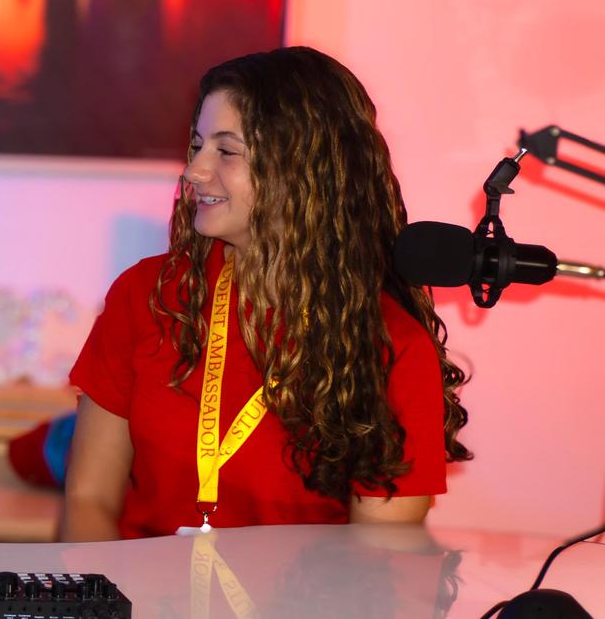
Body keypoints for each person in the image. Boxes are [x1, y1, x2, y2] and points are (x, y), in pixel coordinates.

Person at [59, 46, 474, 541]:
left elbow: (383, 560)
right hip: (135, 587)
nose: (194, 171)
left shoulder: (391, 346)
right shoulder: (145, 293)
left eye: (226, 151)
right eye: (197, 145)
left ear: (302, 170)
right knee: (45, 450)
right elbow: (88, 500)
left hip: (305, 593)